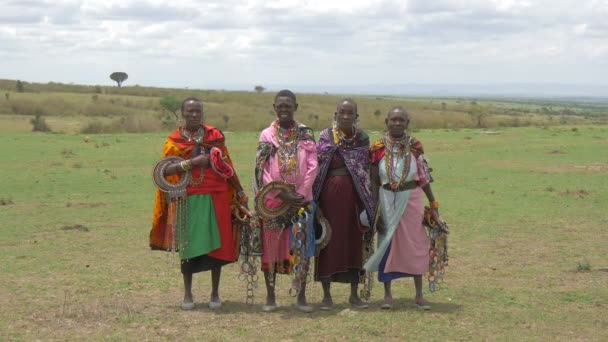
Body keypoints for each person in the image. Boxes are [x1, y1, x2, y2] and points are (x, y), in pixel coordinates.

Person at [150, 97, 248, 310]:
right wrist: (191, 163)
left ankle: (215, 293)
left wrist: (239, 191)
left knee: (218, 244)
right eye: (190, 111)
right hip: (188, 197)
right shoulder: (174, 141)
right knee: (188, 245)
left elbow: (227, 166)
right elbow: (163, 170)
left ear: (202, 113)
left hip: (217, 195)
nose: (194, 115)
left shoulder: (215, 136)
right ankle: (188, 294)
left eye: (198, 111)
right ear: (182, 114)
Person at [363, 106, 443, 310]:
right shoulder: (377, 147)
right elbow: (373, 181)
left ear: (407, 123)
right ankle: (387, 295)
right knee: (385, 244)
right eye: (393, 120)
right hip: (386, 200)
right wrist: (375, 209)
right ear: (386, 122)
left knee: (416, 245)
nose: (397, 123)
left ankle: (419, 295)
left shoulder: (415, 146)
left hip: (412, 200)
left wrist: (433, 205)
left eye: (401, 120)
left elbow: (423, 178)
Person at [254, 89, 318, 313]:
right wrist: (282, 194)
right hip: (274, 201)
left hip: (302, 202)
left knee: (302, 248)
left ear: (295, 108)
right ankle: (270, 297)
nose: (284, 110)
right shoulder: (266, 135)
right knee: (270, 249)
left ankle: (301, 297)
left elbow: (312, 166)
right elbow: (262, 169)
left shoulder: (305, 133)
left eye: (288, 106)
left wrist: (300, 193)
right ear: (274, 108)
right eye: (280, 106)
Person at [312, 98, 375, 310]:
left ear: (356, 117)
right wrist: (317, 204)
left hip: (354, 201)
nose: (346, 116)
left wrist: (367, 203)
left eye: (350, 113)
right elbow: (317, 171)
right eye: (342, 112)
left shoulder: (362, 138)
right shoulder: (325, 137)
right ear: (335, 114)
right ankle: (326, 297)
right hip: (328, 201)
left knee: (354, 245)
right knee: (328, 244)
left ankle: (354, 295)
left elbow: (365, 172)